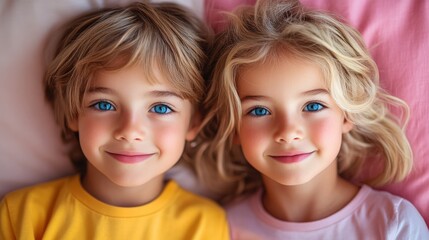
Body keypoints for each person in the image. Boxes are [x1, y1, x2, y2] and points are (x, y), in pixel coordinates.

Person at [190, 0, 429, 239]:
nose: (288, 131)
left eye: (313, 106)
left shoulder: (394, 223)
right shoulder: (222, 227)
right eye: (259, 111)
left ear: (347, 114)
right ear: (233, 128)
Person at [0, 2, 230, 239]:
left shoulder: (205, 226)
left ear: (194, 122)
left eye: (161, 108)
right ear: (73, 113)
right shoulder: (22, 214)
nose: (129, 131)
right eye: (104, 105)